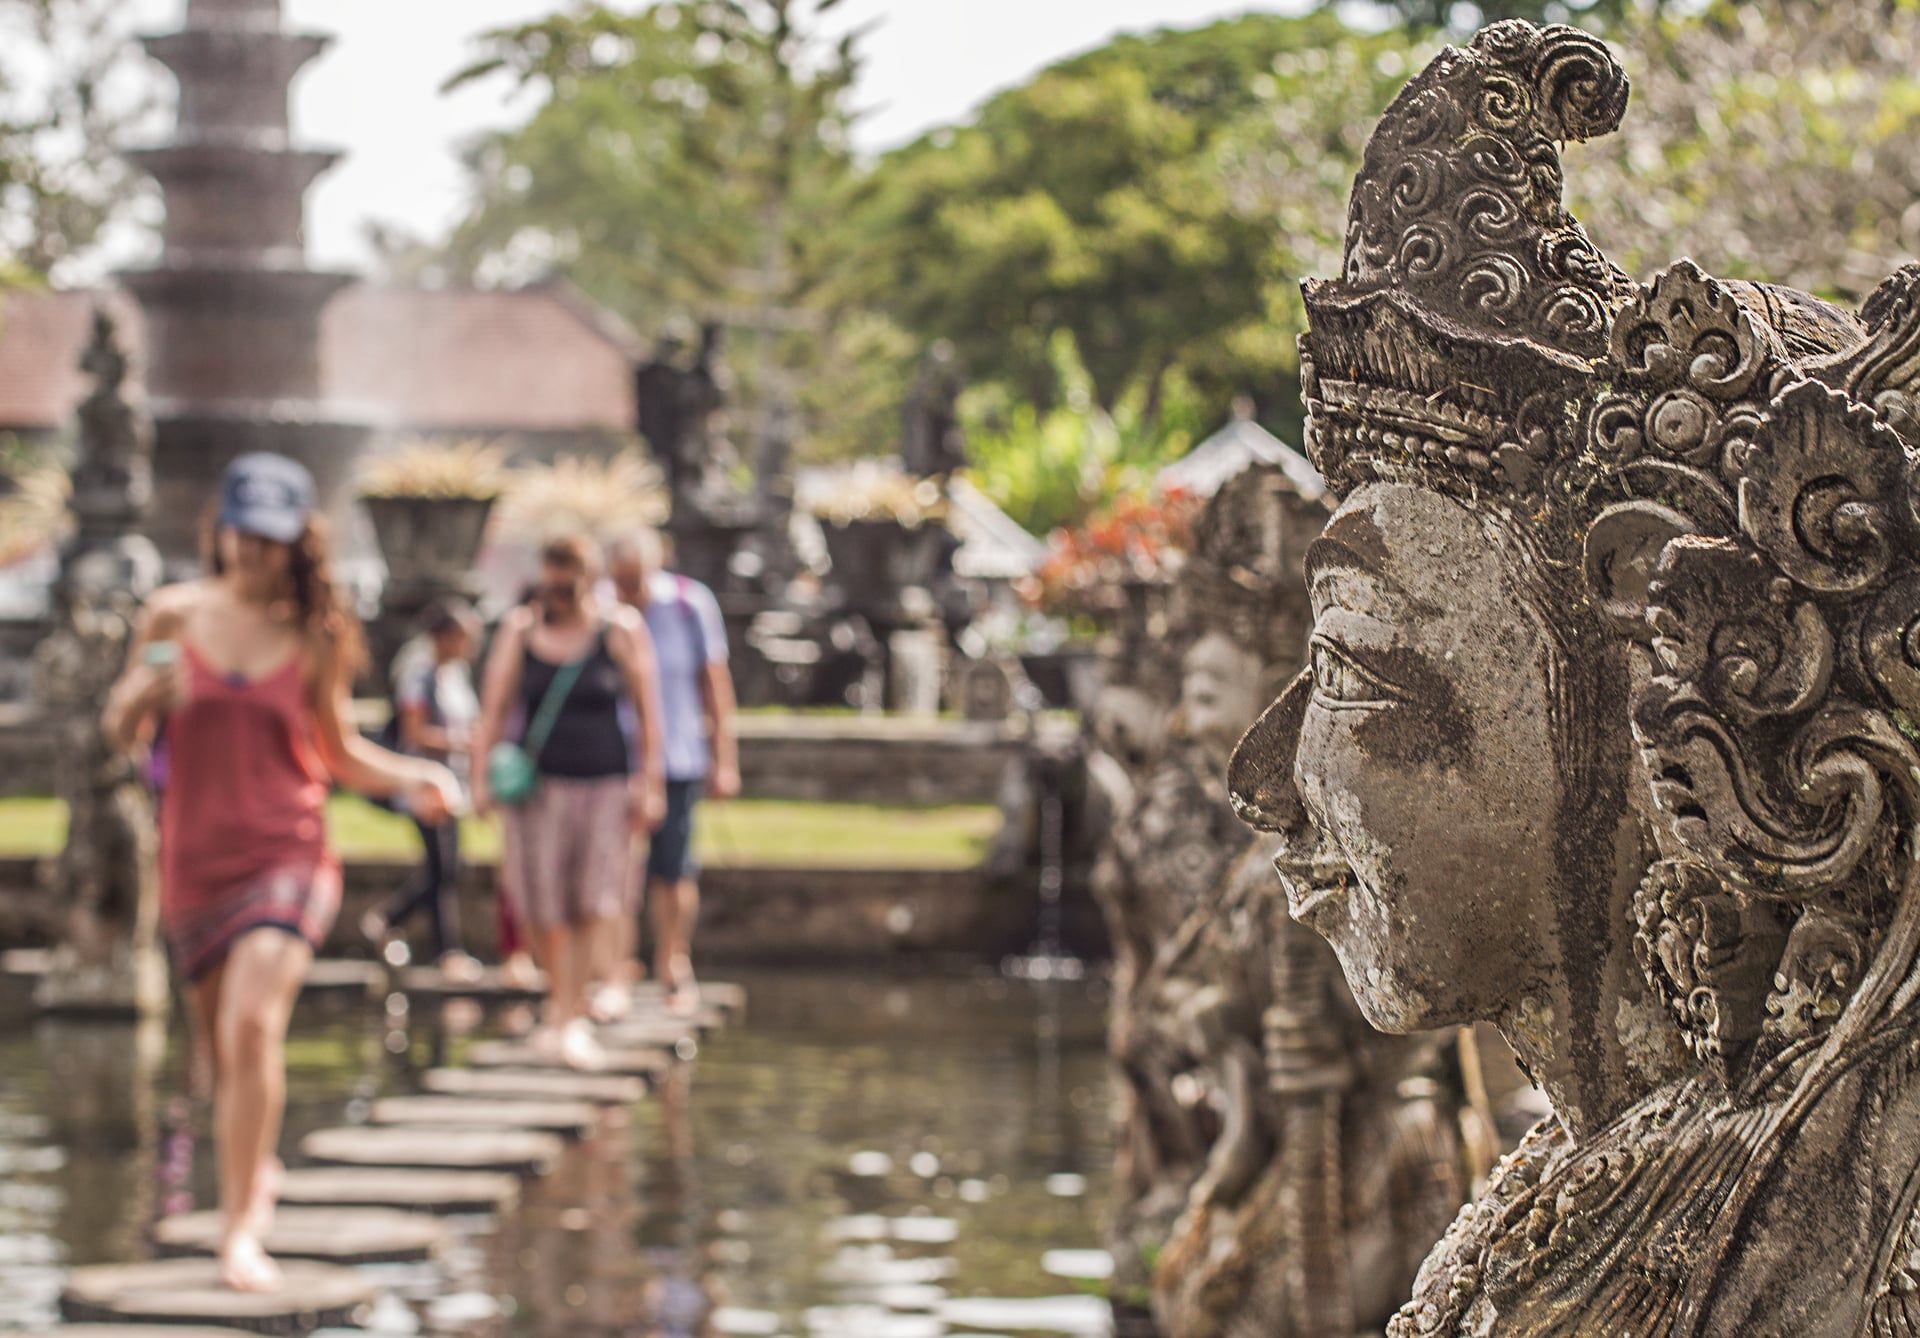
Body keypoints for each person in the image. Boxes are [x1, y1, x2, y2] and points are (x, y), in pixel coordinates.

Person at [103, 452, 460, 1293]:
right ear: (221, 529)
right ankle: (253, 1174)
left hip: (286, 851)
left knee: (253, 1023)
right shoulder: (173, 616)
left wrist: (418, 779)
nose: (255, 552)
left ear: (297, 541)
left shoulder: (315, 635)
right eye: (243, 534)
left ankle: (238, 1233)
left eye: (271, 539)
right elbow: (120, 724)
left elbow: (337, 754)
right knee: (219, 1057)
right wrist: (151, 690)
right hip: (195, 859)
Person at [471, 535, 666, 1068]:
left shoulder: (619, 629)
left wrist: (652, 783)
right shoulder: (521, 629)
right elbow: (493, 706)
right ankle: (558, 999)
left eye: (567, 583)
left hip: (603, 787)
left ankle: (568, 1016)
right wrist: (479, 778)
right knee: (537, 901)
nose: (555, 593)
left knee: (589, 901)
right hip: (536, 792)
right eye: (549, 582)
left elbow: (650, 713)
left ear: (589, 579)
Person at [608, 530, 739, 1014]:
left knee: (674, 868)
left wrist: (724, 758)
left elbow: (715, 681)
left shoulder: (689, 603)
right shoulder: (602, 607)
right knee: (617, 870)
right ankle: (615, 966)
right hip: (614, 757)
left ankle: (672, 960)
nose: (627, 590)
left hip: (679, 756)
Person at [361, 600, 483, 982]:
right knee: (442, 865)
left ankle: (390, 923)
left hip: (453, 784)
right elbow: (415, 733)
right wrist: (461, 743)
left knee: (447, 865)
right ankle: (443, 949)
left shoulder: (455, 675)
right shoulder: (417, 673)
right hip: (423, 783)